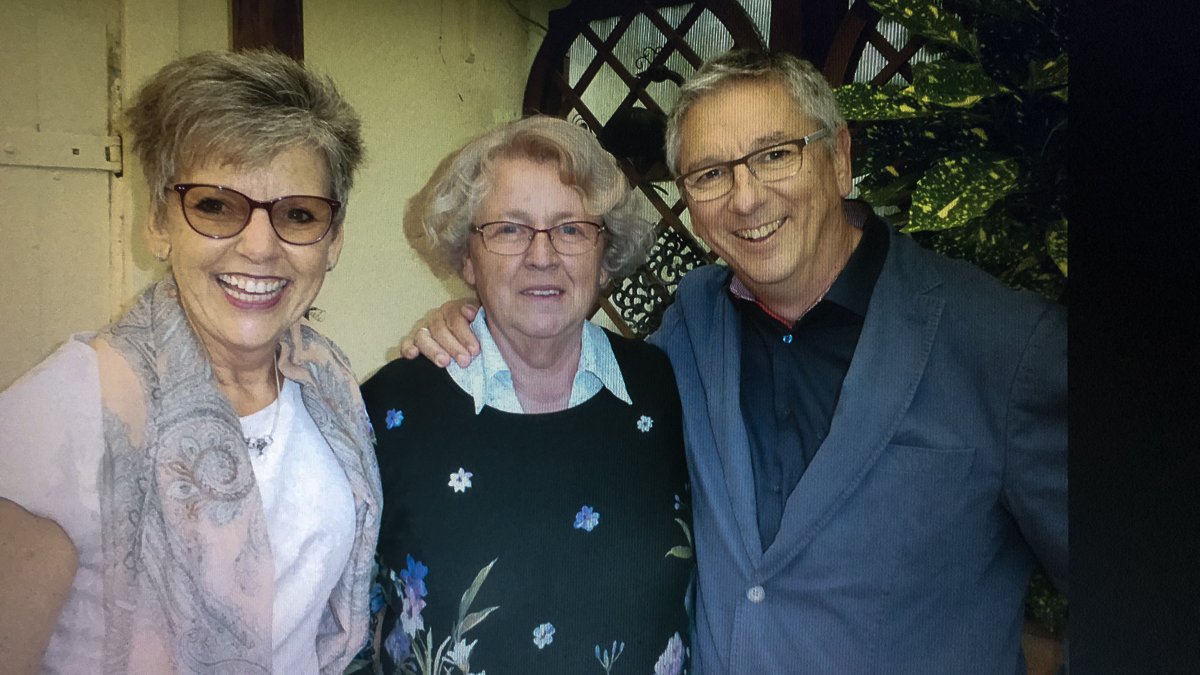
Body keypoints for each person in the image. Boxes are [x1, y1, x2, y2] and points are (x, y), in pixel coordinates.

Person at [402, 50, 1067, 674]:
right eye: (711, 174)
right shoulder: (688, 330)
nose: (745, 198)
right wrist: (480, 322)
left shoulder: (1007, 344)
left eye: (775, 155)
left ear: (839, 159)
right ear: (691, 204)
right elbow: (567, 380)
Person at [0, 50, 381, 674]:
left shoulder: (327, 381)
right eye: (215, 206)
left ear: (333, 240)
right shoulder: (68, 407)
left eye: (298, 214)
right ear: (158, 223)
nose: (260, 247)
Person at [358, 116, 692, 675]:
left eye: (571, 229)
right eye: (510, 229)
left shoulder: (665, 390)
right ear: (468, 257)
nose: (542, 256)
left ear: (605, 254)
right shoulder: (389, 411)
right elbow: (339, 631)